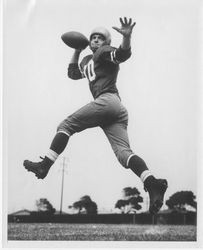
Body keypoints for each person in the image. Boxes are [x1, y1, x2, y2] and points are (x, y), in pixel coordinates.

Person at [24, 17, 168, 214]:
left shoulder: (104, 51)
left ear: (106, 42)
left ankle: (45, 165)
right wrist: (77, 49)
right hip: (116, 110)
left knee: (65, 125)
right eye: (93, 38)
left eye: (100, 38)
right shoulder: (87, 60)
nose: (96, 40)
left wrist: (126, 38)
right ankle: (152, 183)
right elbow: (73, 74)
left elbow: (122, 54)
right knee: (123, 154)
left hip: (107, 100)